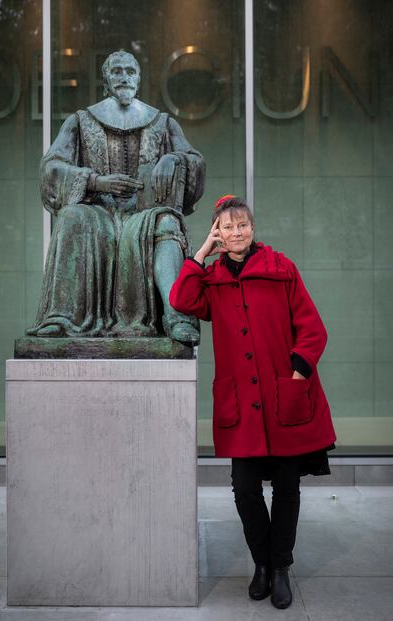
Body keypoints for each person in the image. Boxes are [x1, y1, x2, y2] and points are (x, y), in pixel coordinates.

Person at [169, 195, 336, 610]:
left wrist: (298, 371)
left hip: (284, 396)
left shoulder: (282, 270)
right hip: (242, 404)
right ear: (218, 233)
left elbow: (313, 328)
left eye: (242, 224)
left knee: (287, 488)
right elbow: (180, 299)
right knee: (244, 489)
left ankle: (279, 568)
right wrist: (201, 253)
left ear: (252, 228)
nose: (236, 232)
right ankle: (261, 562)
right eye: (227, 227)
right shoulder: (213, 282)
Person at [28, 50, 205, 343]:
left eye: (130, 72)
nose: (124, 77)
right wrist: (96, 182)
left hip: (143, 213)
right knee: (72, 216)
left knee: (167, 224)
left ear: (139, 79)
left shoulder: (163, 122)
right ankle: (61, 318)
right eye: (117, 71)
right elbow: (51, 168)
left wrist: (174, 159)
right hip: (97, 212)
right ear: (106, 80)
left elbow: (194, 161)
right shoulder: (81, 121)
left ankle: (176, 317)